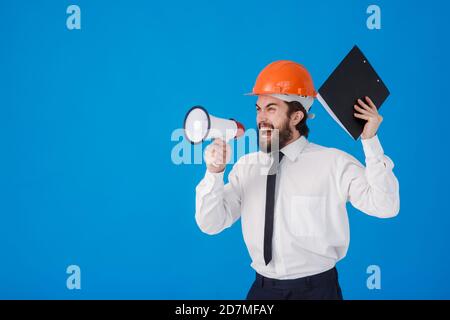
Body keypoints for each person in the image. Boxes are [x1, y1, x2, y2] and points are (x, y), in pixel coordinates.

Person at [194, 60, 400, 300]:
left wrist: (370, 140)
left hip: (318, 291)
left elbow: (386, 206)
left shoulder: (333, 163)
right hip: (263, 292)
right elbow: (211, 224)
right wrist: (214, 173)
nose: (260, 118)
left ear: (296, 116)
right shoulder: (247, 167)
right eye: (258, 108)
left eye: (271, 108)